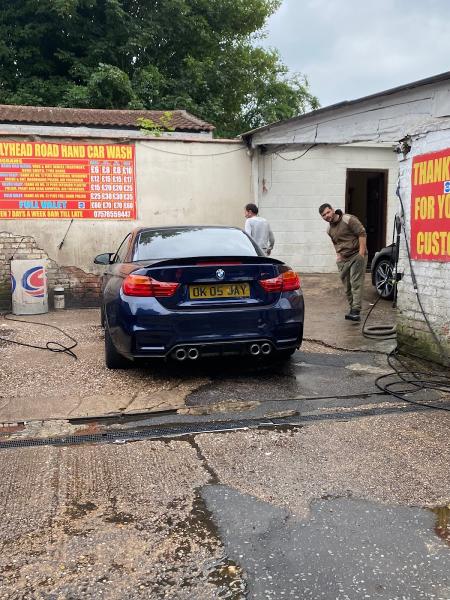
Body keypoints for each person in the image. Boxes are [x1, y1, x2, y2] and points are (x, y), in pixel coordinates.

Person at [319, 203, 368, 322]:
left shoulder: (348, 219)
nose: (327, 216)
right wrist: (338, 256)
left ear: (333, 210)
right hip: (344, 258)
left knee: (355, 283)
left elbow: (362, 233)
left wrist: (361, 254)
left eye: (328, 212)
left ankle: (356, 311)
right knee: (347, 286)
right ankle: (352, 308)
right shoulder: (329, 229)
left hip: (357, 254)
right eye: (323, 215)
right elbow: (335, 243)